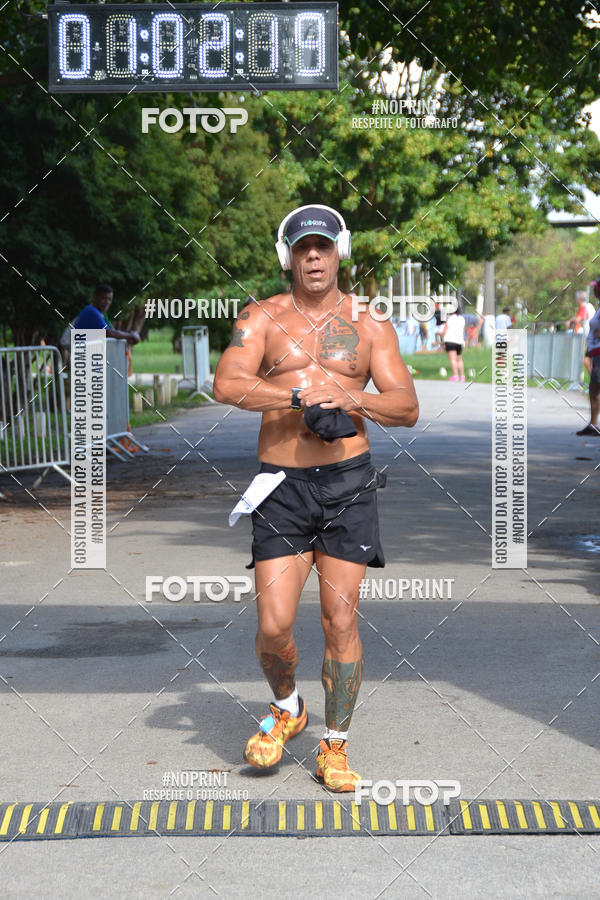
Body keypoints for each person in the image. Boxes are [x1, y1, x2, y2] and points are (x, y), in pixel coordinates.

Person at [213, 204, 418, 792]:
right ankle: (287, 706)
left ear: (338, 253)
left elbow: (406, 406)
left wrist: (352, 400)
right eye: (303, 248)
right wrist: (298, 394)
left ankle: (335, 743)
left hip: (347, 486)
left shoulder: (370, 322)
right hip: (280, 488)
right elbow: (227, 382)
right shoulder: (261, 318)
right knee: (274, 625)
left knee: (339, 619)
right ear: (288, 256)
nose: (313, 257)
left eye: (322, 248)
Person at [73, 284, 141, 345]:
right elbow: (109, 333)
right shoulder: (91, 311)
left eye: (109, 299)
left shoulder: (101, 313)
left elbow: (112, 330)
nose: (107, 302)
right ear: (95, 297)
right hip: (82, 356)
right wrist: (131, 335)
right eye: (104, 298)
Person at [576, 281, 600, 436]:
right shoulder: (598, 308)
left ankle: (594, 424)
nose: (593, 290)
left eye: (595, 288)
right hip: (594, 351)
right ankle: (593, 424)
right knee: (593, 388)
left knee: (595, 387)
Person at [442, 307, 466, 381]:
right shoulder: (462, 319)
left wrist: (442, 339)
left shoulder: (449, 318)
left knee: (453, 359)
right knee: (459, 359)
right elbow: (463, 330)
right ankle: (462, 376)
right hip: (459, 341)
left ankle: (455, 375)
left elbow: (444, 331)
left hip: (450, 340)